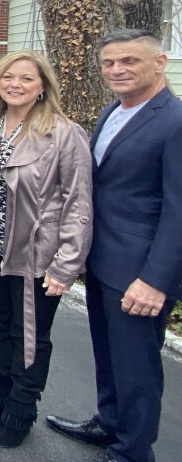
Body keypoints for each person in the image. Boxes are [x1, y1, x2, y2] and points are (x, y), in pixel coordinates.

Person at [46, 30, 182, 462]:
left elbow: (179, 211)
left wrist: (156, 281)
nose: (117, 70)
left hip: (139, 272)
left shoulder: (173, 122)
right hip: (104, 260)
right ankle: (109, 422)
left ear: (159, 63)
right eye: (109, 63)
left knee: (137, 367)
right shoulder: (114, 111)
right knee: (108, 355)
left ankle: (133, 450)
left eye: (129, 61)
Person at [0, 51, 92, 448]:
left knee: (31, 334)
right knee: (0, 322)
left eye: (26, 78)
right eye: (8, 78)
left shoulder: (63, 133)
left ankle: (22, 408)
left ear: (42, 87)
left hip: (38, 256)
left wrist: (66, 265)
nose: (15, 84)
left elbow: (78, 202)